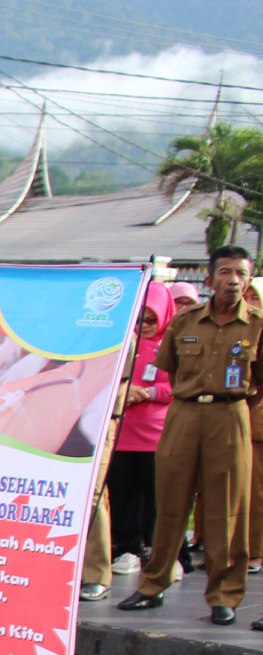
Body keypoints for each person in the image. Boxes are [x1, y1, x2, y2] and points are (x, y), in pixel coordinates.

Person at [120, 245, 258, 625]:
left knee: (226, 509)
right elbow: (168, 369)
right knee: (169, 503)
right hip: (183, 413)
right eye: (225, 272)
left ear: (248, 281)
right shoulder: (185, 322)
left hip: (230, 415)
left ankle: (224, 595)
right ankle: (153, 585)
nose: (233, 280)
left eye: (240, 274)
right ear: (210, 279)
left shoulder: (258, 324)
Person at [106, 281, 175, 579]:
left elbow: (181, 383)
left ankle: (164, 553)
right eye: (139, 319)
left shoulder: (171, 343)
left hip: (157, 434)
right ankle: (128, 548)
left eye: (151, 319)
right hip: (124, 433)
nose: (144, 326)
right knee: (123, 496)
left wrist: (148, 393)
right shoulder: (123, 343)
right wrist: (125, 391)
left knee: (159, 499)